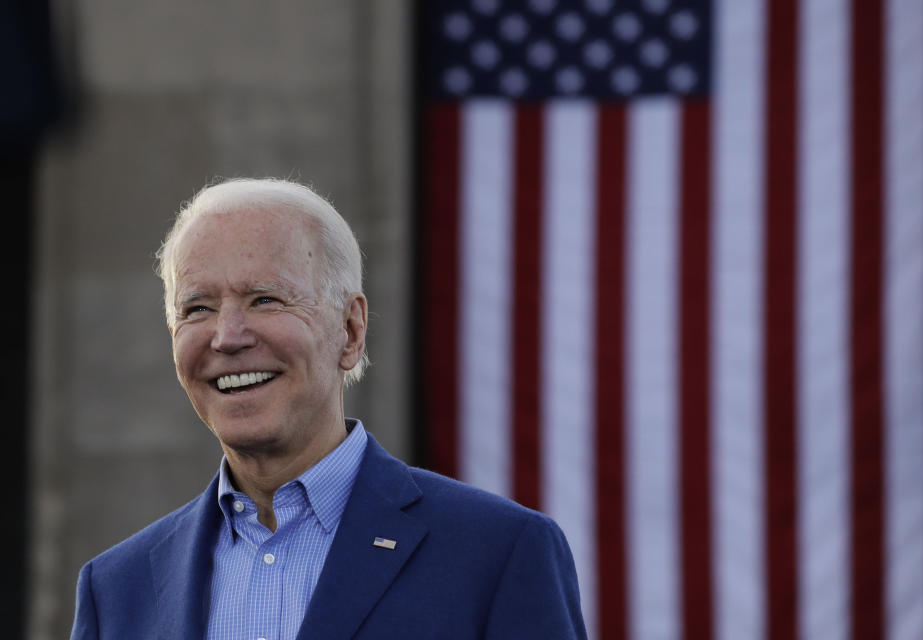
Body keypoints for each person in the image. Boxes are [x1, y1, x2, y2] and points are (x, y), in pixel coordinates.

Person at [69, 178, 587, 639]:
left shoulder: (498, 554)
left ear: (351, 330)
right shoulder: (116, 589)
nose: (227, 337)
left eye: (265, 299)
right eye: (197, 308)